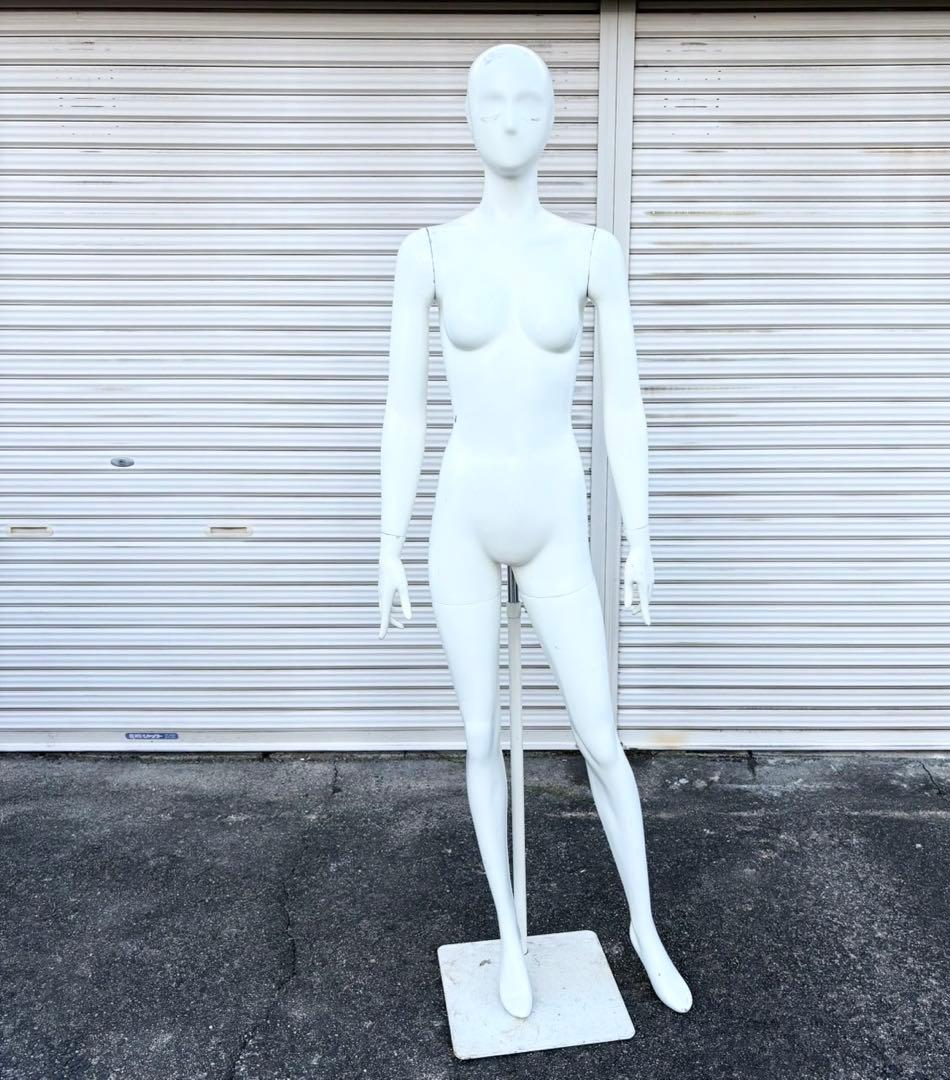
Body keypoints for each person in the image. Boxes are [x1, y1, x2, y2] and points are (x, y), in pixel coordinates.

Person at [377, 42, 691, 1020]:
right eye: (490, 100)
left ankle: (644, 927)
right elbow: (404, 410)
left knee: (599, 735)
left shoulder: (592, 251)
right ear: (468, 117)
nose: (509, 117)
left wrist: (641, 534)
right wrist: (386, 540)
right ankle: (509, 936)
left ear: (554, 118)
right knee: (480, 735)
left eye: (528, 100)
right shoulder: (428, 252)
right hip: (463, 519)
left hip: (554, 516)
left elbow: (624, 404)